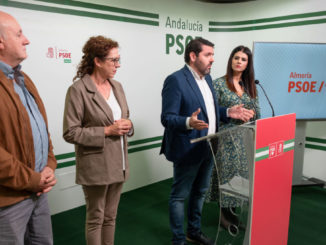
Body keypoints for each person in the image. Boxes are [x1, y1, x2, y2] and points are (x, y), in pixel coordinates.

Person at [160, 38, 254, 245]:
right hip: (188, 148)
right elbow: (167, 117)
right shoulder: (175, 80)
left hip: (210, 146)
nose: (213, 59)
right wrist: (188, 121)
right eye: (208, 55)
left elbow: (212, 112)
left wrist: (229, 112)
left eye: (213, 55)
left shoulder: (208, 79)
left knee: (200, 192)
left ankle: (193, 232)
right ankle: (178, 240)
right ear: (193, 56)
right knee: (179, 196)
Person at [63, 35, 133, 245]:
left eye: (119, 59)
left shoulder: (117, 86)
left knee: (110, 217)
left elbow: (124, 117)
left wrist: (128, 126)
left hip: (119, 163)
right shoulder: (77, 90)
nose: (118, 65)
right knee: (96, 218)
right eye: (113, 60)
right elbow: (70, 132)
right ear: (97, 61)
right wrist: (107, 131)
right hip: (96, 165)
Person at [0, 11, 57, 244]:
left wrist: (49, 165)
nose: (27, 40)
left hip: (38, 193)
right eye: (19, 34)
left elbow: (41, 129)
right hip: (8, 202)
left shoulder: (24, 79)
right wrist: (32, 179)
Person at [206, 45, 260, 233]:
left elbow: (257, 112)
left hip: (245, 140)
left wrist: (251, 113)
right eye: (236, 58)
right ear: (231, 60)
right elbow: (212, 113)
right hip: (225, 139)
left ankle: (234, 215)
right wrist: (232, 115)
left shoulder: (250, 86)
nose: (239, 62)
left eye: (243, 59)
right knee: (226, 178)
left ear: (247, 64)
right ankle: (224, 217)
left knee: (240, 180)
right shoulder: (218, 83)